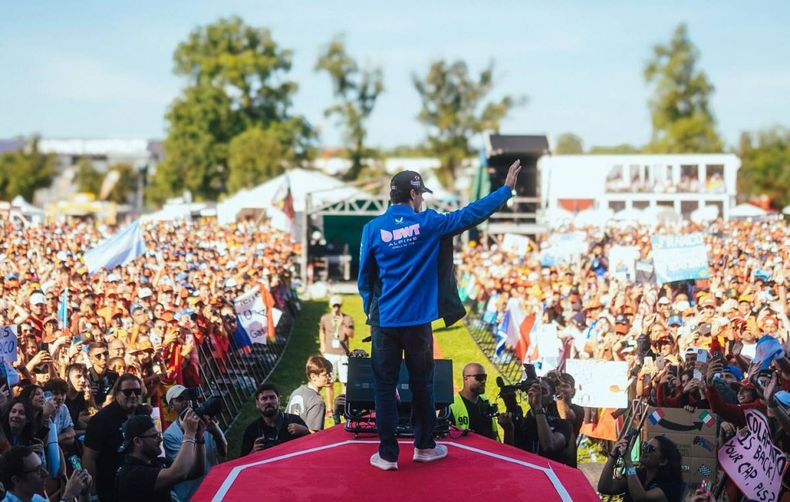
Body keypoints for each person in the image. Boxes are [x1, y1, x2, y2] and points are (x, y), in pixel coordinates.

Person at [358, 161, 522, 471]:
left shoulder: (372, 228)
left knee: (383, 386)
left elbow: (364, 279)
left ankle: (388, 455)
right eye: (420, 195)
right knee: (422, 385)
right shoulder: (429, 223)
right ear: (412, 194)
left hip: (384, 322)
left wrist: (371, 309)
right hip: (418, 322)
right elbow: (470, 215)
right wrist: (505, 190)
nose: (422, 200)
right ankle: (423, 447)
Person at [82, 373, 147, 502]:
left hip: (140, 482)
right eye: (128, 392)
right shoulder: (102, 419)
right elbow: (89, 458)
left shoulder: (143, 413)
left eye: (137, 391)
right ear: (117, 393)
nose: (133, 395)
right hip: (111, 487)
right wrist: (93, 493)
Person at [116, 412, 204, 502]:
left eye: (159, 435)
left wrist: (199, 439)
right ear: (138, 441)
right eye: (154, 436)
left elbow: (195, 471)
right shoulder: (131, 474)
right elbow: (178, 473)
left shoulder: (156, 462)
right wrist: (189, 434)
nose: (160, 439)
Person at [162, 385, 228, 502]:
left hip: (216, 487)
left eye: (187, 397)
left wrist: (216, 432)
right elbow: (189, 470)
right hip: (192, 495)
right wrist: (194, 435)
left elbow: (223, 453)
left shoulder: (204, 421)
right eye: (180, 399)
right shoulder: (170, 435)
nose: (186, 401)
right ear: (171, 406)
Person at [598, 434, 685, 502]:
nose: (644, 450)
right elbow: (605, 488)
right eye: (645, 445)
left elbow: (640, 498)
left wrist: (628, 461)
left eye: (650, 448)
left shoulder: (672, 485)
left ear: (663, 461)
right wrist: (613, 456)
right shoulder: (638, 474)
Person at [0, 445, 92, 502]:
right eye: (37, 471)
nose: (46, 473)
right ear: (16, 480)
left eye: (42, 467)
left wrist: (85, 494)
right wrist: (68, 496)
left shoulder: (35, 498)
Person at [240, 383, 309, 457]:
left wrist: (305, 431)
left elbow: (313, 448)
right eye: (264, 398)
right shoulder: (252, 430)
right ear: (257, 404)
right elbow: (241, 463)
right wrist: (254, 451)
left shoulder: (294, 420)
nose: (268, 402)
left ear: (278, 401)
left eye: (272, 397)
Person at [319, 296, 354, 411]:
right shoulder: (325, 318)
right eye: (334, 305)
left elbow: (352, 335)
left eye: (338, 305)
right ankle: (330, 408)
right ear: (330, 306)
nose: (336, 308)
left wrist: (342, 324)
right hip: (330, 353)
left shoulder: (348, 318)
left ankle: (343, 407)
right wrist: (322, 345)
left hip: (343, 353)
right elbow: (322, 331)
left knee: (345, 382)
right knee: (330, 382)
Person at [448, 363, 498, 440]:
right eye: (479, 377)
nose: (483, 381)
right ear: (466, 378)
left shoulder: (486, 402)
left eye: (485, 377)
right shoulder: (451, 406)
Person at [286, 356, 334, 432]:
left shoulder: (296, 392)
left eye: (330, 374)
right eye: (325, 375)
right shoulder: (317, 401)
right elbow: (314, 434)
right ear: (313, 377)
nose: (329, 378)